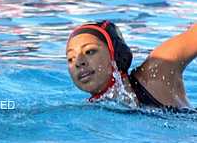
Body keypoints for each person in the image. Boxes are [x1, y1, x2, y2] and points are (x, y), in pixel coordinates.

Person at [66, 20, 196, 110]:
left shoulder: (155, 75)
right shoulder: (87, 118)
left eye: (89, 51)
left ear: (115, 54)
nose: (78, 62)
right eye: (70, 58)